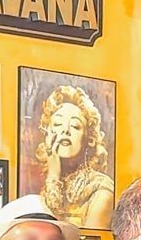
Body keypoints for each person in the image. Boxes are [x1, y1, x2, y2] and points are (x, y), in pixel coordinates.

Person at [35, 85, 114, 230]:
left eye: (75, 126)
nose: (65, 130)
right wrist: (53, 177)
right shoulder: (42, 185)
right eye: (58, 124)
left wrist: (53, 178)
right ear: (47, 134)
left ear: (89, 138)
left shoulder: (101, 189)